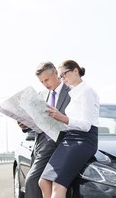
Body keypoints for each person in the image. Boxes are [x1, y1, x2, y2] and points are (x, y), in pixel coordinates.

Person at [38, 60, 99, 198]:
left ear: (75, 71)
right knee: (44, 181)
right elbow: (70, 123)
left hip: (84, 140)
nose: (62, 79)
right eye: (60, 76)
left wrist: (62, 117)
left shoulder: (87, 91)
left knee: (59, 185)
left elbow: (86, 125)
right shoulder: (73, 93)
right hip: (69, 138)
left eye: (64, 75)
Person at [18, 61, 71, 198]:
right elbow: (36, 119)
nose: (45, 84)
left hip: (63, 143)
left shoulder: (72, 91)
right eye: (42, 82)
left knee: (34, 181)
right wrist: (25, 125)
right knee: (34, 181)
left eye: (46, 79)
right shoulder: (41, 94)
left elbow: (77, 119)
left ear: (56, 73)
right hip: (42, 144)